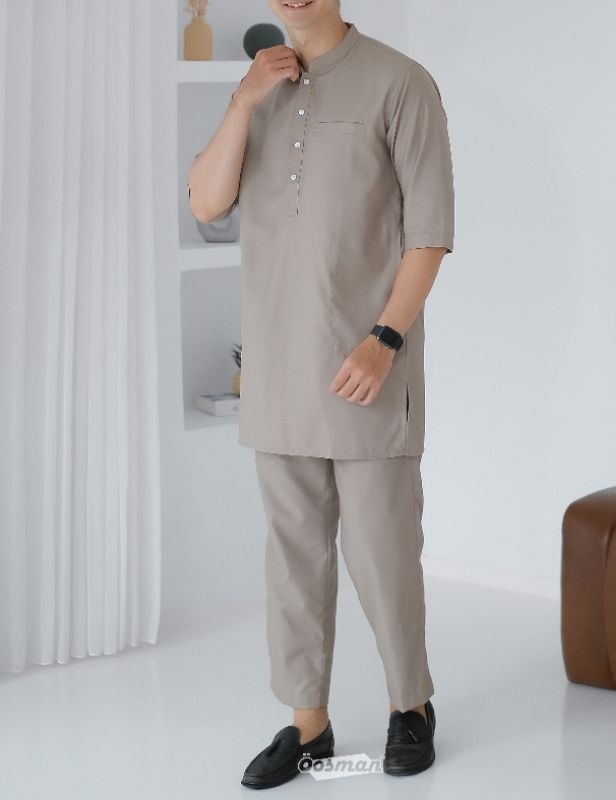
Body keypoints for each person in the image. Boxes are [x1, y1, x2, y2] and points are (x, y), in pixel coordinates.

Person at [187, 0, 454, 789]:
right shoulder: (257, 89)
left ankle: (411, 705)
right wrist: (242, 101)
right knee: (293, 562)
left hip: (365, 371)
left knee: (382, 554)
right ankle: (308, 726)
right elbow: (205, 202)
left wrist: (385, 339)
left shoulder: (401, 83)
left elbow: (429, 231)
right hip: (277, 373)